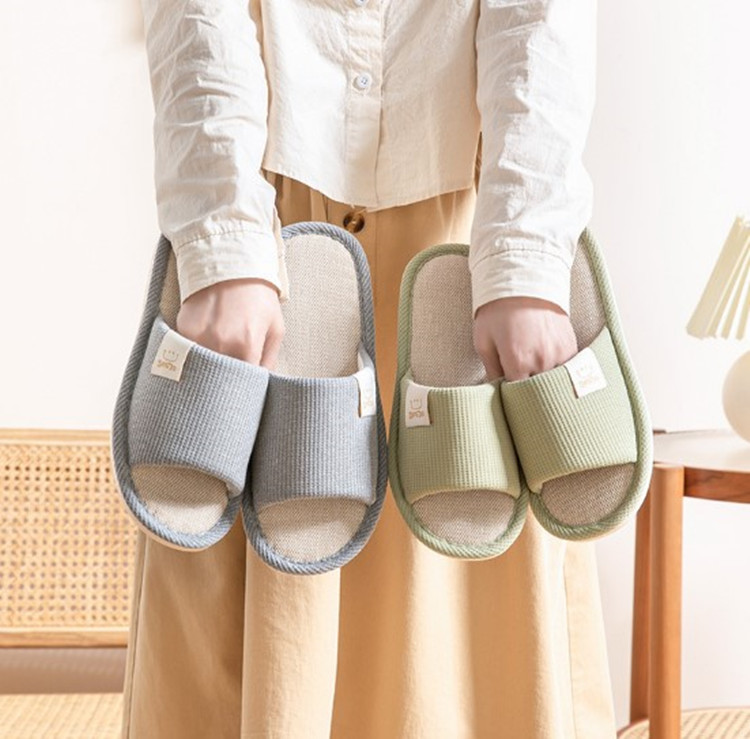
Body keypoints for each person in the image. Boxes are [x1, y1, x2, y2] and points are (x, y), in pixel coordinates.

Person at [122, 0, 615, 736]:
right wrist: (224, 244)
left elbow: (541, 18)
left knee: (473, 619)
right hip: (269, 244)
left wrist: (523, 259)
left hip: (467, 263)